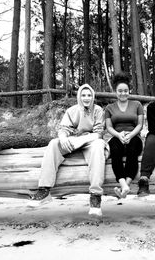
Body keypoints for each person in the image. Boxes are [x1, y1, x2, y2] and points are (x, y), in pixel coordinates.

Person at [29, 84, 108, 217]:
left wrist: (83, 140)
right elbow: (64, 128)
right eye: (83, 95)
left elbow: (99, 133)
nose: (86, 98)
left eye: (89, 95)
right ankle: (44, 189)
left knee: (99, 145)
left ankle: (95, 195)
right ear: (79, 96)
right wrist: (63, 138)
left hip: (91, 141)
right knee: (54, 144)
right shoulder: (72, 110)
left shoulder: (98, 110)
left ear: (93, 96)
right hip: (74, 140)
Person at [105, 72, 144, 199]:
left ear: (129, 91)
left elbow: (139, 125)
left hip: (134, 137)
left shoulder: (137, 104)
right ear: (115, 91)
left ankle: (126, 185)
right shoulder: (109, 108)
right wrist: (119, 135)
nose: (123, 93)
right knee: (115, 150)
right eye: (120, 91)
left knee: (133, 150)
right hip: (116, 137)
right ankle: (123, 184)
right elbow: (109, 127)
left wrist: (131, 135)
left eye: (126, 90)